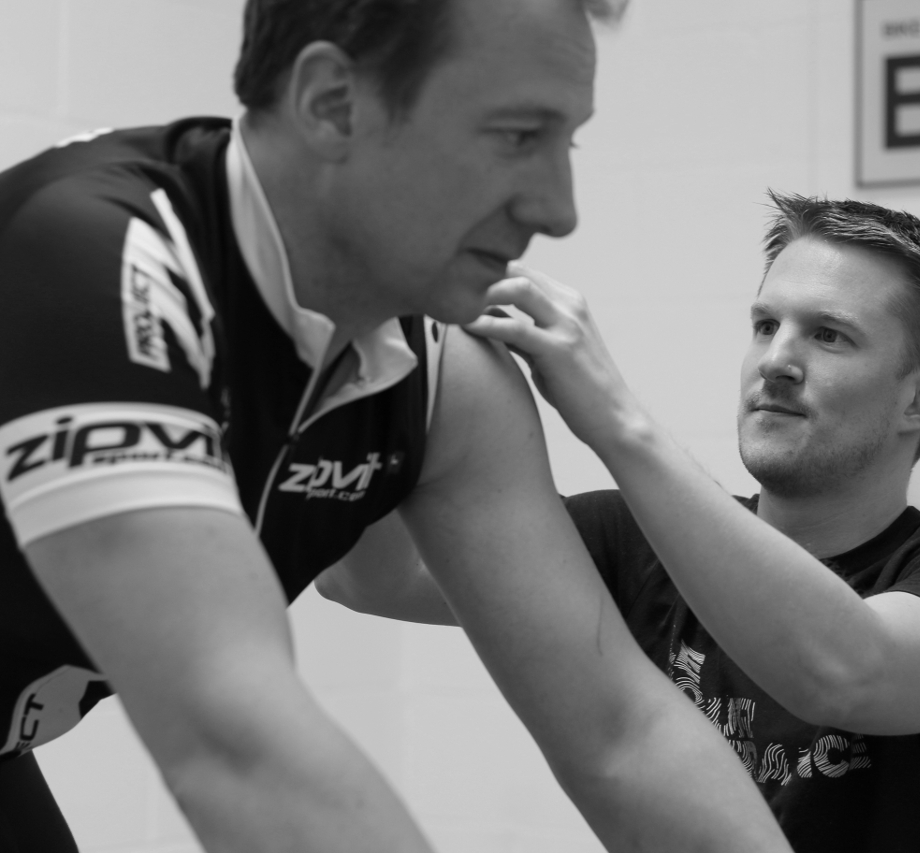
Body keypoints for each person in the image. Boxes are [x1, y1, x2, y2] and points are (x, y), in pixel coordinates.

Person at [0, 2, 796, 852]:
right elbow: (237, 750)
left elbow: (621, 737)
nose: (559, 209)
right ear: (332, 103)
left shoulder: (442, 373)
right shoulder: (91, 263)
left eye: (567, 143)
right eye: (516, 135)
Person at [322, 193, 920, 851]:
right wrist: (373, 349)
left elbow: (845, 672)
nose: (776, 361)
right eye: (766, 325)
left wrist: (615, 419)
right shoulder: (632, 539)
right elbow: (369, 577)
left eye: (829, 336)